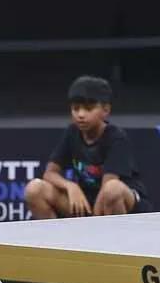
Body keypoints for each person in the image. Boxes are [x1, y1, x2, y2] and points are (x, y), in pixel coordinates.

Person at [25, 75, 151, 218]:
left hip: (123, 205)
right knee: (34, 189)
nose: (81, 114)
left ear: (106, 110)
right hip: (86, 203)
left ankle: (114, 233)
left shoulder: (116, 137)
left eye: (88, 109)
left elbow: (108, 186)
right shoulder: (72, 132)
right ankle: (57, 234)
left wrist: (91, 225)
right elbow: (50, 174)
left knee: (112, 189)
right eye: (75, 108)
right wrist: (70, 186)